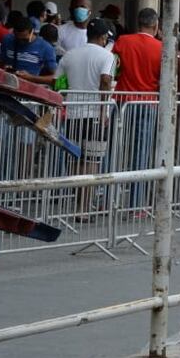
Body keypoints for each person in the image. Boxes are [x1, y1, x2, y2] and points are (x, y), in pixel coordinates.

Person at [57, 19, 115, 213]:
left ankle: (79, 202)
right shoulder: (106, 56)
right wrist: (103, 108)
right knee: (92, 161)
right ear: (103, 37)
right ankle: (83, 207)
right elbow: (106, 81)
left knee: (75, 159)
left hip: (73, 114)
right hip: (95, 115)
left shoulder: (69, 55)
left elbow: (58, 83)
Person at [112, 7, 163, 208]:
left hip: (122, 101)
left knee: (114, 151)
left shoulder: (123, 42)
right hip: (148, 103)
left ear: (138, 23)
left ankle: (108, 199)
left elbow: (113, 69)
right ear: (156, 25)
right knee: (140, 154)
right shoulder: (161, 48)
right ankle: (136, 205)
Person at [0, 14, 58, 84]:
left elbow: (58, 79)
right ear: (13, 32)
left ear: (32, 32)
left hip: (29, 88)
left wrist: (30, 77)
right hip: (6, 85)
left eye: (24, 40)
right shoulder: (7, 40)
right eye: (17, 39)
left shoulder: (45, 47)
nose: (21, 42)